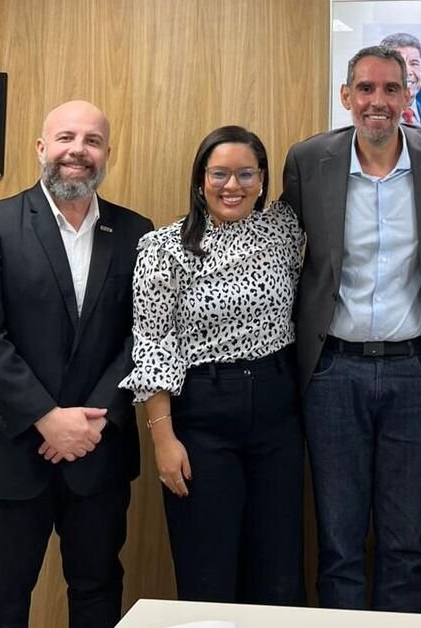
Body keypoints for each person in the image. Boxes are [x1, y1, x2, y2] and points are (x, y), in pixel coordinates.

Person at [281, 44, 421, 611]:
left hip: (416, 370)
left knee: (403, 542)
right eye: (365, 88)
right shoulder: (309, 160)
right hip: (332, 370)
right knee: (338, 542)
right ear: (346, 96)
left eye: (391, 89)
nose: (378, 101)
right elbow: (280, 245)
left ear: (408, 95)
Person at [0, 100, 153, 628]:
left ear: (107, 153)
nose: (77, 151)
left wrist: (95, 420)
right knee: (2, 599)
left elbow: (143, 335)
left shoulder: (137, 233)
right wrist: (47, 417)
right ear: (42, 148)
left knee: (98, 593)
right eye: (66, 138)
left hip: (98, 450)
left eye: (92, 141)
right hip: (11, 451)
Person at [120, 126, 306, 605]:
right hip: (202, 415)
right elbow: (153, 344)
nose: (232, 186)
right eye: (220, 174)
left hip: (277, 414)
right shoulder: (164, 247)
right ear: (201, 179)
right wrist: (163, 440)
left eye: (246, 174)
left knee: (279, 571)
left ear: (262, 180)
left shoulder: (284, 229)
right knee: (208, 571)